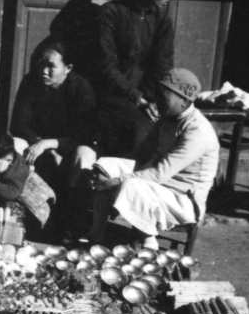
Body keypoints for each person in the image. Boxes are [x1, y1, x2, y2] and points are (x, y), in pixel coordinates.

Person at [85, 68, 220, 250]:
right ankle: (97, 233)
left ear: (185, 100)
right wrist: (109, 173)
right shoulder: (168, 118)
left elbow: (159, 174)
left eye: (164, 98)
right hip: (159, 187)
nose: (157, 102)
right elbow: (141, 153)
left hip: (182, 199)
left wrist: (114, 183)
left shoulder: (198, 131)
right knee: (105, 165)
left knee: (131, 185)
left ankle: (149, 244)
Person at [9, 38, 99, 242]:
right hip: (37, 146)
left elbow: (85, 134)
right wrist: (43, 145)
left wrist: (51, 144)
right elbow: (18, 124)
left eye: (51, 66)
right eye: (41, 63)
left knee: (84, 155)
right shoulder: (31, 81)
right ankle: (16, 214)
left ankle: (75, 226)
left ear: (68, 68)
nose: (44, 70)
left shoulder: (81, 89)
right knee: (14, 145)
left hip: (68, 148)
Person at [93, 0, 174, 158]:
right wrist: (137, 97)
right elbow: (105, 66)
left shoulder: (161, 17)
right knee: (137, 128)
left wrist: (154, 99)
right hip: (113, 92)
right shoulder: (111, 11)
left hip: (146, 94)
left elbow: (162, 64)